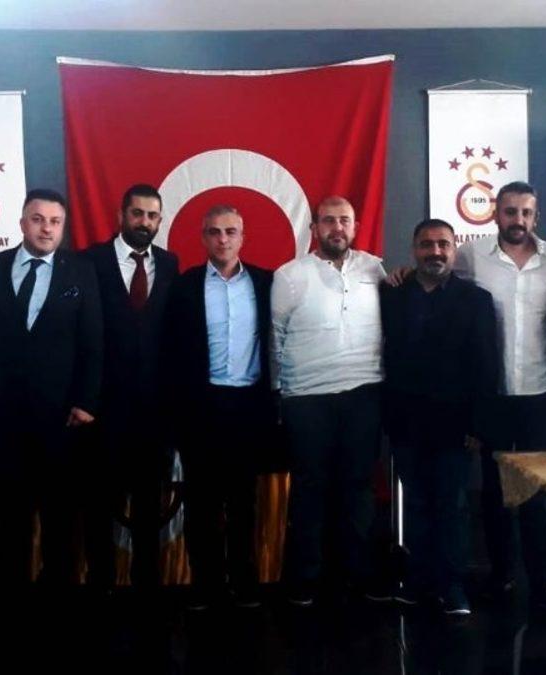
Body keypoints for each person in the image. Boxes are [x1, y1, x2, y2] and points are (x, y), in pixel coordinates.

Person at [0, 188, 103, 591]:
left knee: (60, 517)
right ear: (22, 222)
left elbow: (93, 342)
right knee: (9, 516)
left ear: (63, 227)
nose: (46, 229)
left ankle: (57, 597)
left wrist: (86, 401)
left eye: (55, 222)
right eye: (38, 219)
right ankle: (12, 597)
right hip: (4, 417)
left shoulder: (80, 272)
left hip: (61, 418)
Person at [453, 181, 546, 610]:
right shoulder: (471, 256)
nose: (518, 219)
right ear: (495, 213)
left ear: (536, 217)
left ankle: (542, 580)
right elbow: (442, 285)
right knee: (496, 490)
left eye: (525, 212)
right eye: (510, 211)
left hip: (539, 390)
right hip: (493, 393)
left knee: (535, 491)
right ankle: (501, 576)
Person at [271, 196, 386, 606]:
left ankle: (355, 575)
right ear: (314, 228)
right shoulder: (289, 275)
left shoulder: (375, 268)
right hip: (306, 397)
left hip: (364, 393)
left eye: (344, 221)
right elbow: (274, 338)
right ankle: (306, 578)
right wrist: (279, 394)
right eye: (328, 221)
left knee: (358, 488)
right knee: (310, 489)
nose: (337, 228)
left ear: (355, 227)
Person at [381, 219, 499, 616]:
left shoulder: (476, 299)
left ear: (454, 249)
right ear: (414, 249)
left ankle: (453, 586)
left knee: (452, 505)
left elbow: (486, 366)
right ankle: (418, 582)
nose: (435, 251)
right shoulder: (391, 294)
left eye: (443, 244)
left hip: (456, 424)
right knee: (416, 504)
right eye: (427, 244)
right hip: (406, 420)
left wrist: (478, 425)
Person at [163, 205, 272, 610]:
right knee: (202, 502)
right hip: (201, 406)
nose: (222, 239)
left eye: (230, 231)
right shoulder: (183, 286)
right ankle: (206, 583)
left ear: (243, 237)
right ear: (203, 237)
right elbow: (170, 351)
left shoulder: (266, 282)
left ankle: (243, 581)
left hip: (248, 406)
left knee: (244, 501)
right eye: (214, 232)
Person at [80, 184, 180, 594]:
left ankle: (147, 588)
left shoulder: (170, 264)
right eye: (137, 213)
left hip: (153, 414)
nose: (144, 222)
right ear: (121, 215)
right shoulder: (90, 261)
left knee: (148, 505)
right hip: (101, 411)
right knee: (98, 504)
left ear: (159, 221)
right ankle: (100, 584)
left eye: (152, 216)